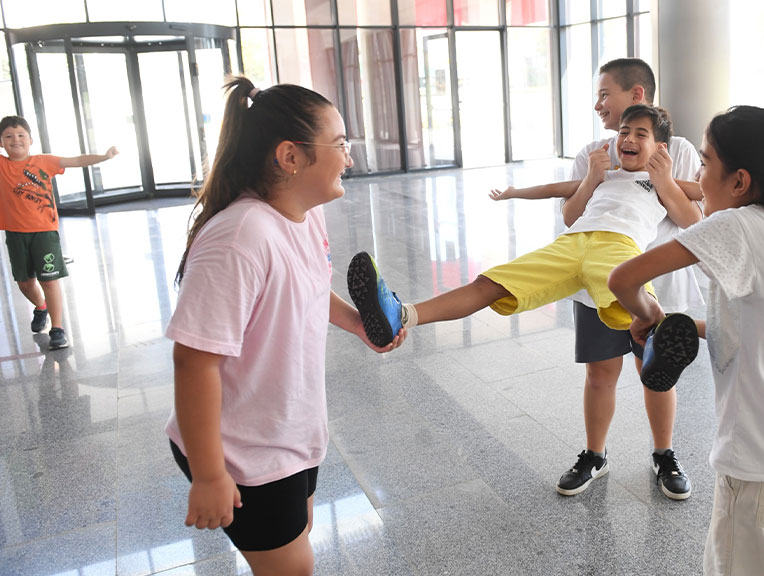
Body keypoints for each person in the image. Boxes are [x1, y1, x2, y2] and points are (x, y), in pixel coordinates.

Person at [166, 76, 405, 576]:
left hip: (291, 434)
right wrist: (210, 475)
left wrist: (358, 324)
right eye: (340, 144)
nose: (350, 157)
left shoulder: (301, 214)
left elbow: (312, 289)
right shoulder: (240, 237)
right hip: (242, 453)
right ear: (290, 156)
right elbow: (194, 360)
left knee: (296, 543)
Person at [608, 105, 764, 576]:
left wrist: (649, 313)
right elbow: (756, 327)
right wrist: (679, 323)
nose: (697, 175)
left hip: (760, 459)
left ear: (739, 181)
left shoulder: (736, 225)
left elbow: (624, 278)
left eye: (704, 163)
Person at [491, 58, 703, 500]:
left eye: (605, 94)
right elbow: (571, 217)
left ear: (637, 96)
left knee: (657, 375)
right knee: (600, 374)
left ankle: (664, 455)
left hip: (657, 288)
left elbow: (691, 220)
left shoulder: (678, 148)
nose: (598, 104)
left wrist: (661, 180)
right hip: (597, 285)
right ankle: (595, 454)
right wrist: (590, 177)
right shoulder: (593, 150)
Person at [348, 105, 699, 358]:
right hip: (570, 245)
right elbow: (558, 199)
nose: (629, 138)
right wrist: (581, 180)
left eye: (641, 134)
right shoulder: (604, 175)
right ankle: (402, 314)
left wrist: (664, 179)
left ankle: (662, 340)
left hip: (618, 246)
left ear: (661, 149)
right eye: (624, 131)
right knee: (489, 283)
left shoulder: (663, 182)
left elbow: (694, 215)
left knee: (636, 293)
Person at [0, 115, 118, 349]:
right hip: (15, 234)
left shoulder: (44, 162)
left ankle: (57, 328)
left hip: (45, 233)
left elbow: (75, 160)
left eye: (21, 135)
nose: (16, 140)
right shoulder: (2, 165)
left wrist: (104, 157)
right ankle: (40, 307)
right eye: (8, 136)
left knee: (50, 280)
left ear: (31, 140)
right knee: (24, 282)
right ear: (1, 142)